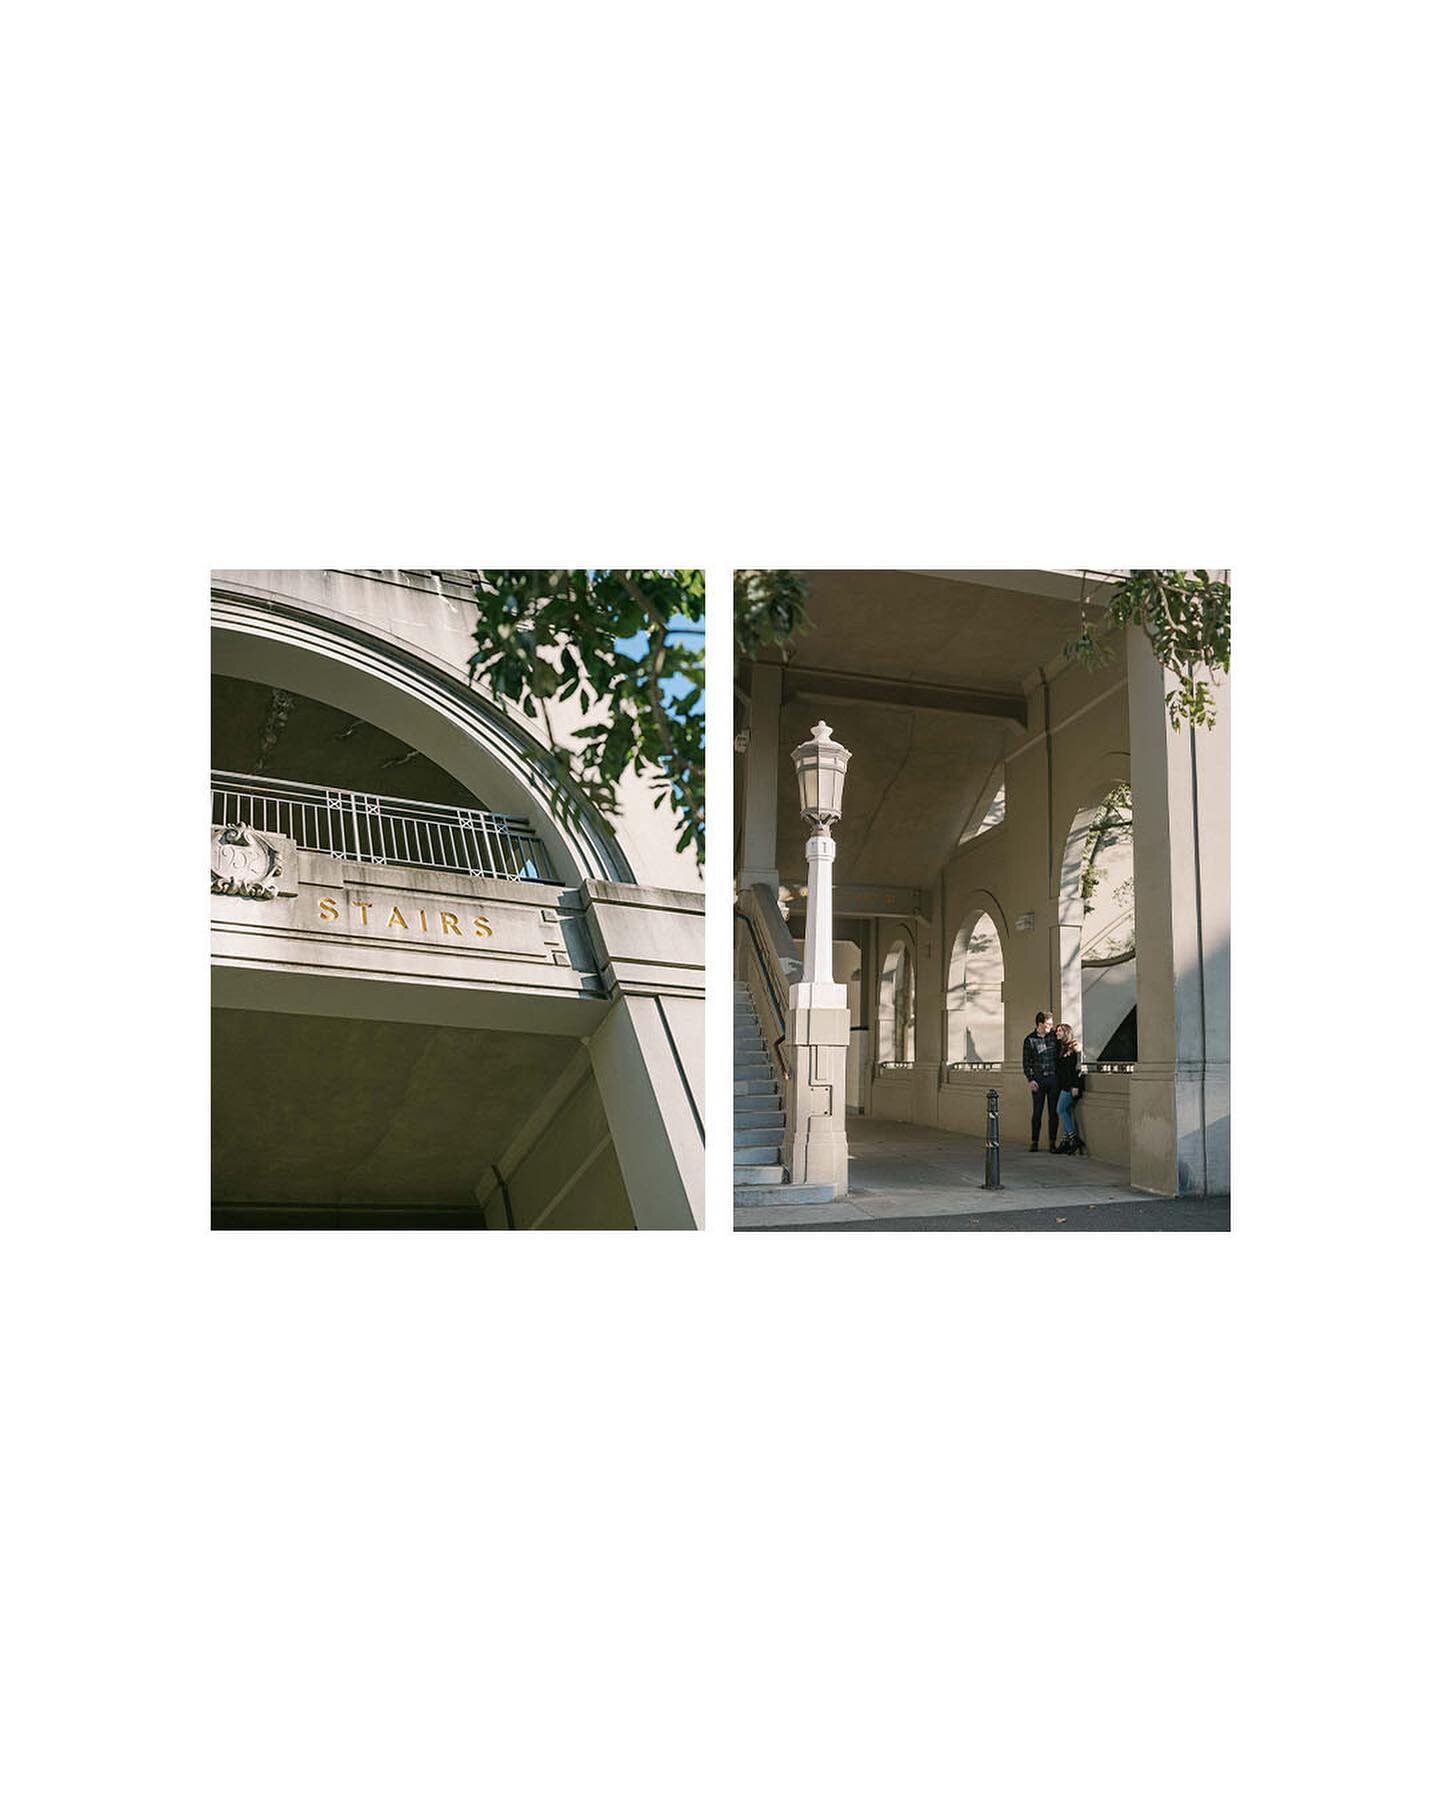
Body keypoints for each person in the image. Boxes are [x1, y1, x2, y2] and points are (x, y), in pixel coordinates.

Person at [1022, 1010, 1060, 1151]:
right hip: (1038, 1080)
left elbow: (1066, 1041)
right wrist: (1030, 1079)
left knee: (1053, 1112)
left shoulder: (1054, 1037)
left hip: (1053, 1079)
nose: (1051, 1026)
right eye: (1048, 1024)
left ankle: (1052, 1143)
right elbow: (1026, 1063)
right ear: (1040, 1024)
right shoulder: (1030, 1040)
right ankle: (1034, 1141)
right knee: (1037, 1112)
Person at [1055, 1022, 1086, 1154]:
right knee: (1065, 1112)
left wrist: (1075, 1086)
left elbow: (1078, 1069)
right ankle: (1066, 1141)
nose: (1057, 1033)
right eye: (1057, 1031)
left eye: (1060, 1031)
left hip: (1070, 1086)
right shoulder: (1062, 1047)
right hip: (1064, 1084)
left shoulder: (1074, 1048)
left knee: (1060, 1110)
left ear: (1066, 1033)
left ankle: (1074, 1139)